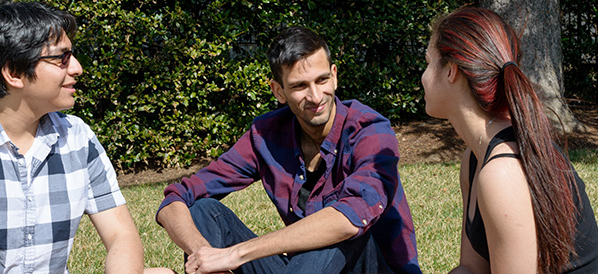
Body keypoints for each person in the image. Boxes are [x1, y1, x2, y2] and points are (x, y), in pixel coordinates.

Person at [0, 1, 172, 273]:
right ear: (14, 73)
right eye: (62, 58)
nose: (77, 68)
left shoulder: (78, 137)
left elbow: (121, 236)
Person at [155, 26, 421, 274]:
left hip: (370, 266)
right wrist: (203, 253)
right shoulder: (266, 134)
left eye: (322, 80)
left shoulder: (369, 130)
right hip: (306, 267)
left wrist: (236, 254)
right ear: (278, 91)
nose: (316, 97)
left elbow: (351, 216)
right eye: (300, 86)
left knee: (338, 228)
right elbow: (176, 198)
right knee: (204, 211)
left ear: (335, 76)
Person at [421, 7, 598, 274]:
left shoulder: (502, 173)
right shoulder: (475, 160)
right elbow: (472, 268)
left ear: (451, 71)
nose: (423, 77)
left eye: (428, 62)